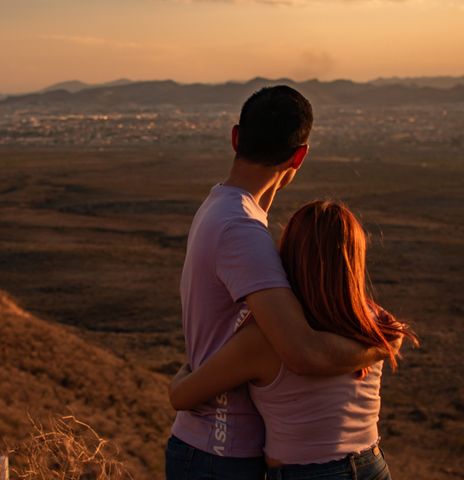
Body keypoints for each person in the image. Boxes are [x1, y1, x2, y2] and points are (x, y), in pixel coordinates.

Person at [166, 85, 399, 480]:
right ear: (299, 156)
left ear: (236, 137)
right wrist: (379, 344)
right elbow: (303, 353)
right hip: (220, 450)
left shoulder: (223, 208)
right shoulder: (241, 228)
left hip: (219, 448)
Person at [169, 200, 418, 479]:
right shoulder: (374, 322)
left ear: (289, 251)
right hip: (372, 465)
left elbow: (182, 396)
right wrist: (384, 344)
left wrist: (187, 367)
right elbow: (394, 334)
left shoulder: (268, 338)